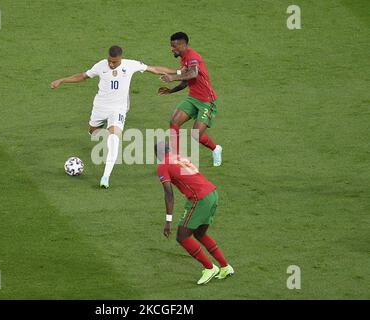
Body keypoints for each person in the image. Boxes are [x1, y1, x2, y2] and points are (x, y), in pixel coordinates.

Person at [50, 45, 176, 188]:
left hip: (118, 109)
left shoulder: (130, 65)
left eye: (114, 62)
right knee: (93, 132)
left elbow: (154, 69)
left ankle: (105, 177)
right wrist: (62, 80)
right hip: (100, 107)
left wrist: (178, 72)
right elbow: (83, 76)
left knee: (114, 138)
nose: (111, 64)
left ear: (120, 58)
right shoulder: (100, 66)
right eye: (109, 60)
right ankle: (105, 130)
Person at [155, 141, 233, 285]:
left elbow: (169, 194)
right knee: (199, 234)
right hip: (212, 193)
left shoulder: (163, 166)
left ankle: (209, 268)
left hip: (200, 199)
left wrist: (168, 221)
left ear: (157, 154)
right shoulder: (181, 157)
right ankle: (225, 266)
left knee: (182, 236)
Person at [158, 32, 222, 166]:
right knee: (174, 121)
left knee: (195, 135)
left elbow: (193, 73)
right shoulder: (184, 58)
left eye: (174, 46)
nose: (172, 49)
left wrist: (172, 77)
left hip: (206, 101)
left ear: (182, 45)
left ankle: (216, 149)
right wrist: (171, 91)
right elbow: (185, 81)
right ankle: (176, 158)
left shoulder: (192, 56)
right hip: (193, 98)